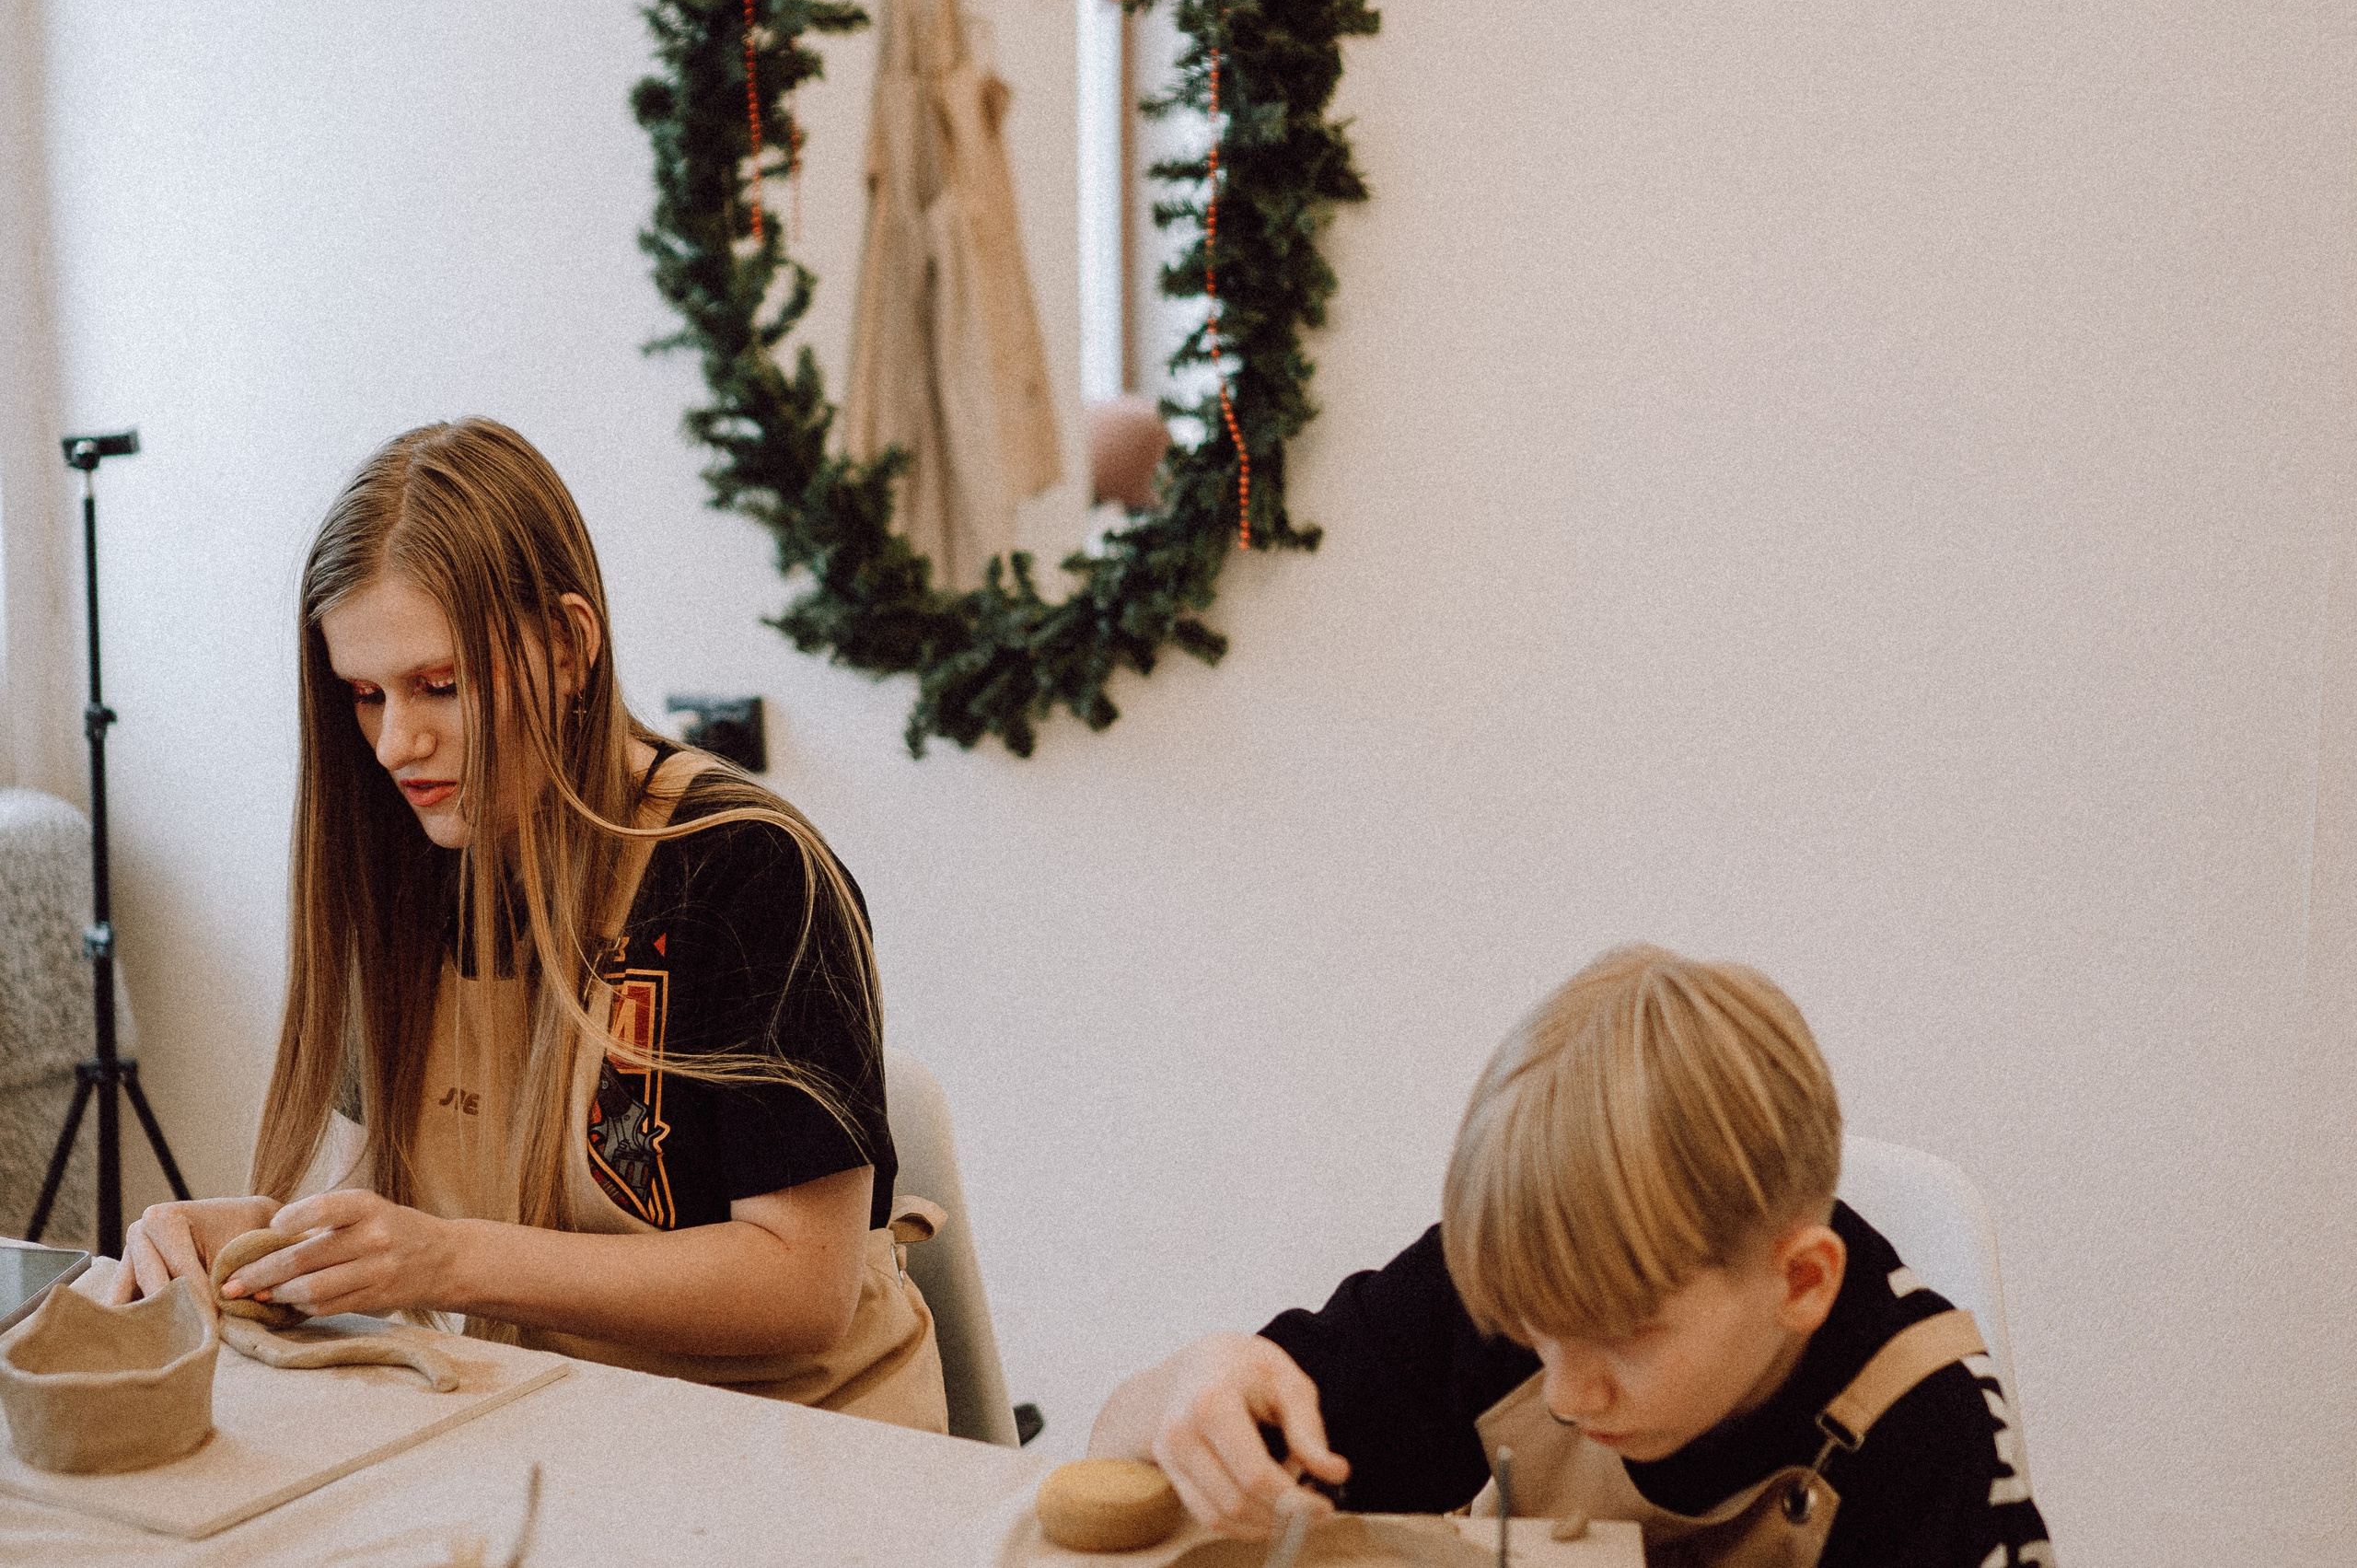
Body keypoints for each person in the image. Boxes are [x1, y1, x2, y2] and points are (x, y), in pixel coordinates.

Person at [106, 418, 946, 1430]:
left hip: (803, 1446)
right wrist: (261, 1243)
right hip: (560, 1421)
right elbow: (393, 1197)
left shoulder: (747, 871)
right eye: (365, 696)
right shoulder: (408, 868)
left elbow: (798, 1289)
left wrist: (451, 1257)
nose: (394, 744)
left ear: (567, 645)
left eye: (441, 686)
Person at [1090, 946, 2053, 1566]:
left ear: (1798, 1281)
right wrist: (1185, 1388)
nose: (1563, 1393)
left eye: (1623, 1338)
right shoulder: (1517, 1290)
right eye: (1531, 1335)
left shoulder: (1929, 1431)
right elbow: (1124, 1451)